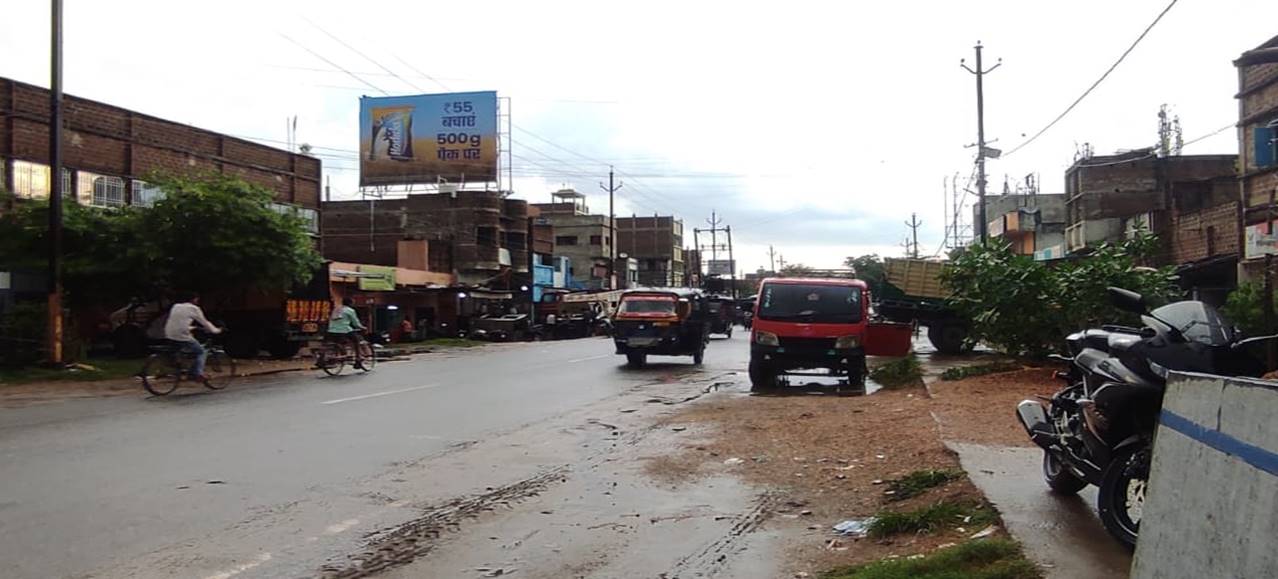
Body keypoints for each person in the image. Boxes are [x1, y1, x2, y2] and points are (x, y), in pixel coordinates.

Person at [163, 293, 222, 382]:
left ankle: (182, 367)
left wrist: (191, 327)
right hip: (181, 335)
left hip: (169, 333)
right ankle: (198, 374)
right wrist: (216, 330)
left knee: (184, 350)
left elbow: (178, 321)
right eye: (197, 299)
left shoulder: (176, 306)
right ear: (194, 299)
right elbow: (205, 322)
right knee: (200, 352)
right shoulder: (194, 308)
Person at [328, 298, 368, 368]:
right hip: (344, 330)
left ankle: (342, 354)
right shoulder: (350, 310)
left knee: (339, 342)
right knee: (356, 341)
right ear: (350, 303)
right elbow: (355, 323)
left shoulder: (336, 309)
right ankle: (358, 359)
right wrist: (362, 327)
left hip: (331, 330)